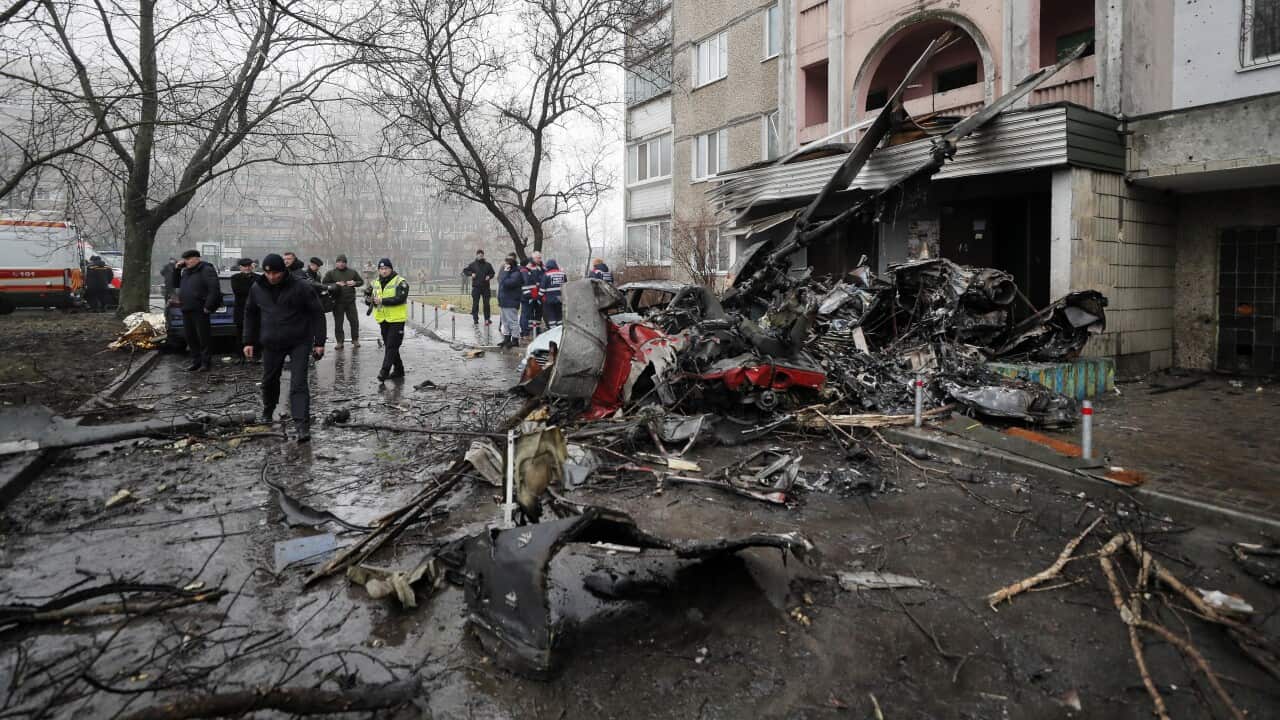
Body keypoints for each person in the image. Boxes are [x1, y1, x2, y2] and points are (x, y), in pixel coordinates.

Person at [243, 253, 325, 441]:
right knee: (269, 380)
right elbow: (250, 313)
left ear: (284, 271)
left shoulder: (301, 286)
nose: (272, 277)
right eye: (268, 273)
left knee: (298, 383)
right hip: (271, 342)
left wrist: (319, 342)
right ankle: (268, 410)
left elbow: (317, 313)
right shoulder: (257, 288)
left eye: (276, 273)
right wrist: (248, 341)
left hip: (299, 341)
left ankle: (302, 424)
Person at [178, 249, 221, 372]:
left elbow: (214, 288)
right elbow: (176, 283)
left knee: (203, 337)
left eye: (189, 259)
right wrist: (177, 269)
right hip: (187, 308)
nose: (186, 262)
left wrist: (208, 306)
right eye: (185, 260)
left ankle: (206, 362)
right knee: (190, 337)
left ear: (197, 258)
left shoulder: (206, 269)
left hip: (200, 309)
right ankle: (196, 361)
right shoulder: (186, 271)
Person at [369, 258, 409, 381]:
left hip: (397, 320)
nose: (384, 271)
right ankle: (399, 370)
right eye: (381, 269)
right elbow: (369, 296)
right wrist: (369, 300)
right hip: (383, 319)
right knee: (390, 345)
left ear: (391, 269)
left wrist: (382, 301)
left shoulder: (400, 281)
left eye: (386, 268)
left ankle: (384, 371)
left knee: (391, 346)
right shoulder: (376, 282)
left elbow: (400, 298)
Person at [322, 254, 364, 349]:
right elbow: (324, 284)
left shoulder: (352, 272)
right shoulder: (331, 273)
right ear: (336, 263)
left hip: (350, 301)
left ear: (346, 263)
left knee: (354, 321)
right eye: (339, 262)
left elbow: (361, 282)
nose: (341, 264)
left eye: (343, 262)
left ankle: (355, 339)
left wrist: (355, 283)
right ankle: (340, 342)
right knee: (338, 323)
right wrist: (335, 284)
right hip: (337, 302)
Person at [230, 258, 258, 362]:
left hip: (255, 310)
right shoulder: (235, 278)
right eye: (244, 266)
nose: (247, 268)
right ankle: (240, 356)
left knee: (256, 333)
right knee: (240, 334)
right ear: (240, 267)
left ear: (252, 266)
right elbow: (238, 291)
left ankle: (255, 355)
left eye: (248, 266)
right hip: (241, 310)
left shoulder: (258, 278)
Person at [462, 249, 495, 326]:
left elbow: (492, 273)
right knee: (475, 304)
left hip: (486, 288)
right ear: (476, 255)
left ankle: (487, 319)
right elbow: (465, 271)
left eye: (482, 255)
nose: (480, 256)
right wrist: (471, 274)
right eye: (479, 255)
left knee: (486, 304)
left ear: (483, 256)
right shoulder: (473, 264)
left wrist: (489, 276)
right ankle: (475, 319)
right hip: (476, 287)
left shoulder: (488, 265)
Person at [497, 254, 523, 349]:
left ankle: (515, 339)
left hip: (511, 302)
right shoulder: (508, 273)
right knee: (505, 322)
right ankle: (506, 338)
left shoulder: (516, 274)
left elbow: (507, 283)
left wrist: (505, 272)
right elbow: (500, 280)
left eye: (506, 263)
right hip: (504, 301)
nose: (505, 265)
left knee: (512, 321)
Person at [519, 252, 545, 337]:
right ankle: (526, 331)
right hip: (529, 295)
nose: (540, 259)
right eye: (538, 258)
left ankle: (535, 329)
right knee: (527, 313)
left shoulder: (541, 267)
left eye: (540, 258)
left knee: (538, 313)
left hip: (538, 294)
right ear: (533, 258)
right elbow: (526, 282)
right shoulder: (527, 267)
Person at [540, 259, 567, 327]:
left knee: (551, 315)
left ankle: (553, 329)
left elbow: (542, 289)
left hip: (549, 299)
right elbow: (566, 285)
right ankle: (560, 329)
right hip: (560, 298)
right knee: (559, 314)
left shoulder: (546, 274)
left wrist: (539, 296)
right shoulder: (563, 274)